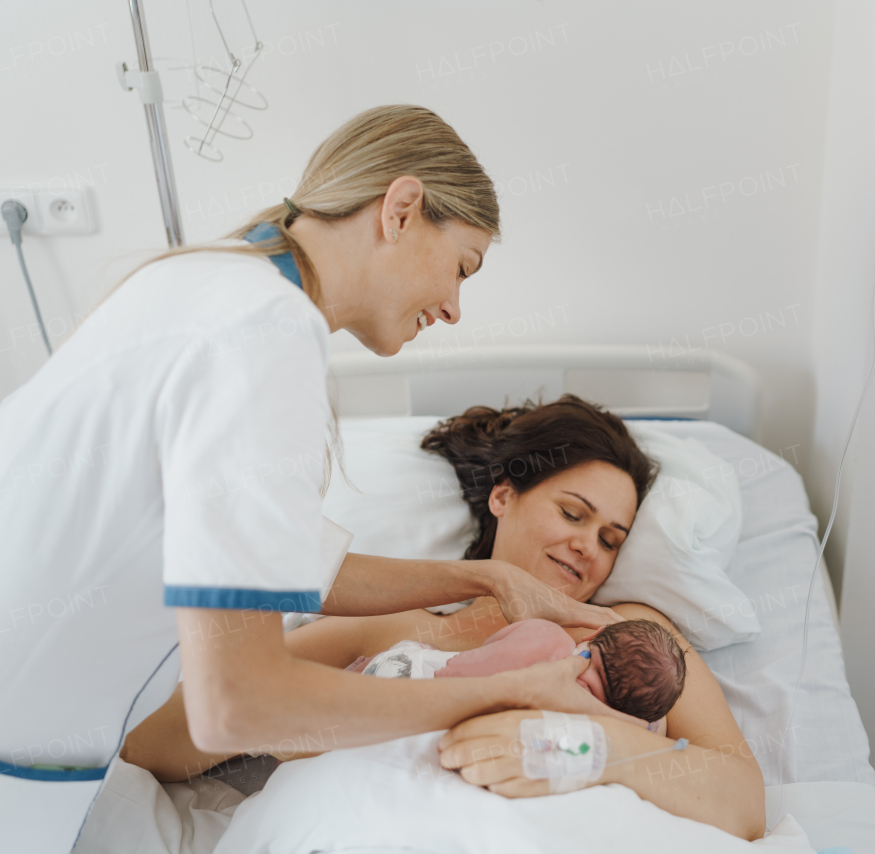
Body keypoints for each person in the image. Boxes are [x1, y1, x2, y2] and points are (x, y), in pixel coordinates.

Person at [0, 105, 623, 853]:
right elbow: (237, 708)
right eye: (462, 266)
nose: (456, 308)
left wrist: (493, 579)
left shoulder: (214, 282)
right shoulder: (265, 338)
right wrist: (502, 691)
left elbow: (285, 564)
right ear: (401, 210)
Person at [122, 397, 767, 840]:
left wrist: (577, 750)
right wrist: (309, 718)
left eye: (611, 539)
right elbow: (157, 745)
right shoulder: (392, 626)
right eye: (573, 514)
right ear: (503, 495)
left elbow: (740, 802)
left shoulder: (628, 639)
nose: (588, 547)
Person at [351, 618, 687, 726]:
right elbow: (652, 731)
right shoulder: (605, 725)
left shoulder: (549, 639)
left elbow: (462, 668)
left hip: (406, 680)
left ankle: (356, 678)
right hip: (434, 725)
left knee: (428, 656)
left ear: (593, 635)